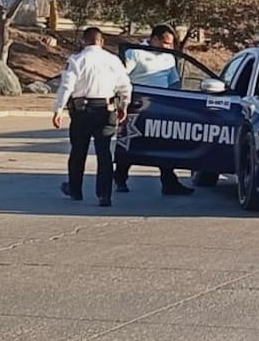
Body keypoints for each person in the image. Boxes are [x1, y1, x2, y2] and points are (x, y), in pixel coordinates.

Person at [53, 27, 131, 207]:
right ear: (101, 41)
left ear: (84, 41)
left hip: (82, 111)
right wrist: (124, 106)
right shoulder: (113, 60)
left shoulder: (76, 60)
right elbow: (125, 86)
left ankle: (75, 189)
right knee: (104, 153)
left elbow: (67, 86)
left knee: (78, 151)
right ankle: (104, 195)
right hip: (106, 108)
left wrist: (58, 109)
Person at [115, 24, 194, 195]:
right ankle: (120, 178)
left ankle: (169, 183)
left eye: (170, 44)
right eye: (165, 43)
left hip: (163, 107)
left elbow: (174, 82)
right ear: (154, 39)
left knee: (164, 145)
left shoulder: (169, 57)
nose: (167, 47)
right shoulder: (135, 53)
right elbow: (121, 78)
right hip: (137, 105)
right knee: (129, 142)